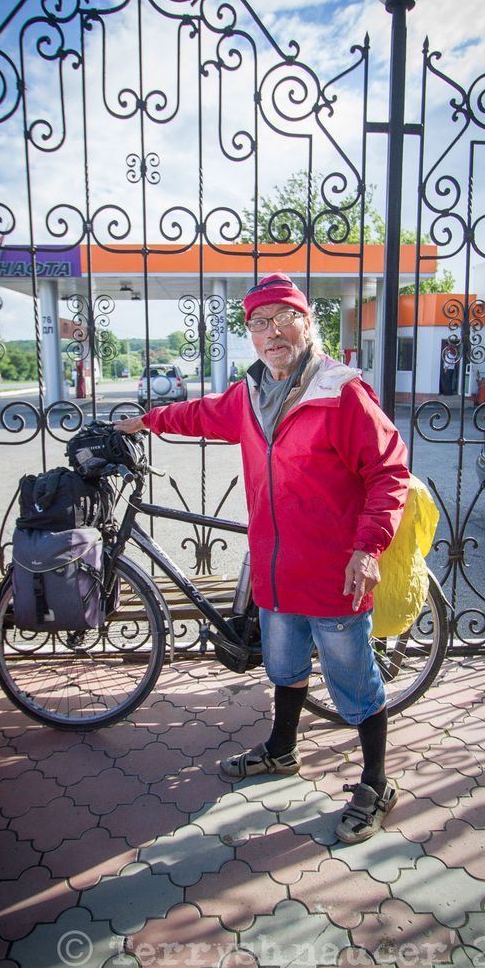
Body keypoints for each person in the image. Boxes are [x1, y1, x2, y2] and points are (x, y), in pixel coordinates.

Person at [116, 272, 410, 844]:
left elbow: (388, 471)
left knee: (354, 682)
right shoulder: (249, 394)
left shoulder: (341, 392)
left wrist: (368, 548)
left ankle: (377, 782)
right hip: (275, 571)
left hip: (334, 573)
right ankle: (281, 749)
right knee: (284, 667)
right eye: (259, 322)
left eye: (283, 318)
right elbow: (199, 413)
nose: (272, 332)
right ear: (250, 333)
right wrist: (146, 420)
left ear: (307, 323)